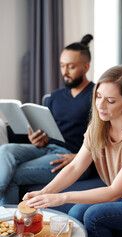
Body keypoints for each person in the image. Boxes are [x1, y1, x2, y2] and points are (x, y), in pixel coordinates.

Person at [24, 66, 122, 237]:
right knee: (75, 212)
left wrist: (61, 197)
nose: (100, 105)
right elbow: (75, 167)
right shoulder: (99, 127)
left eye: (110, 101)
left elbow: (114, 191)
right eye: (98, 96)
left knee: (93, 216)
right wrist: (45, 192)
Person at [0, 34, 95, 204]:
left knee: (13, 174)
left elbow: (104, 138)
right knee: (5, 150)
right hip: (49, 149)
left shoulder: (96, 97)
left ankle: (12, 221)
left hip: (73, 157)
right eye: (62, 66)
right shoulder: (56, 96)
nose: (65, 72)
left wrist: (78, 157)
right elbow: (50, 130)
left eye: (71, 67)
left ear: (85, 67)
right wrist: (39, 141)